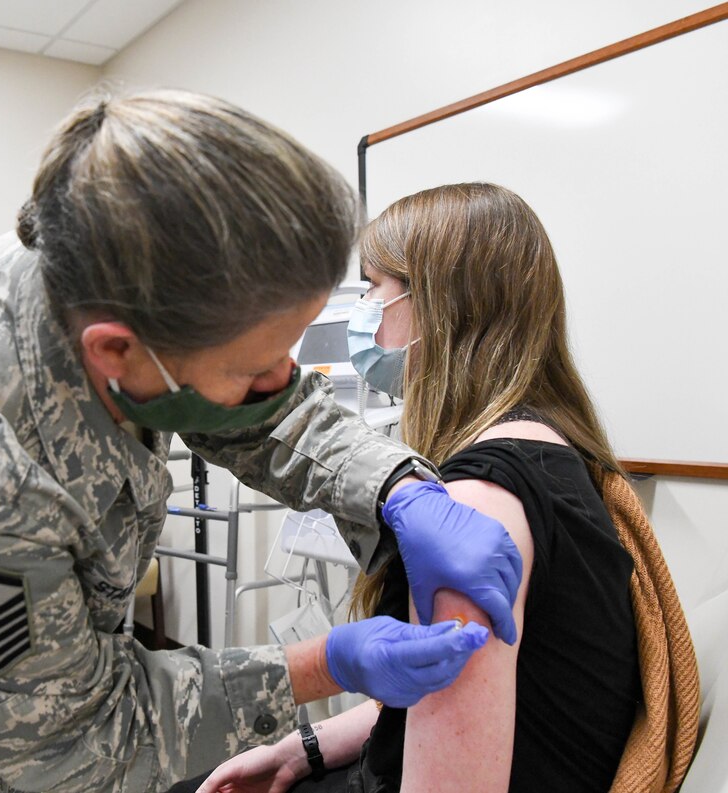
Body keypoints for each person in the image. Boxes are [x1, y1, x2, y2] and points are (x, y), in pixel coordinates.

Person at [0, 95, 520, 793]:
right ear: (117, 352)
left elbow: (254, 403)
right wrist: (328, 662)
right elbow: (78, 747)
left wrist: (391, 485)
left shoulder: (107, 261)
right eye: (258, 361)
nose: (286, 378)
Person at [183, 182, 652, 793]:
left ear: (441, 305)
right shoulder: (557, 447)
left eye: (374, 287)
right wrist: (305, 746)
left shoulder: (480, 500)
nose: (363, 310)